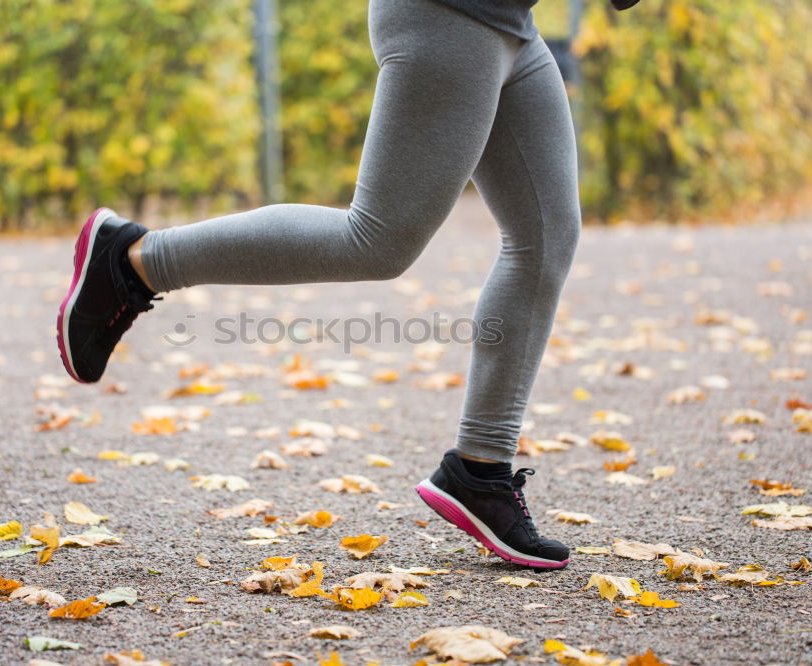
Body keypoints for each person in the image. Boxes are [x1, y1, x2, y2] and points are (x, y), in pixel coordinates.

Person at [56, 0, 641, 570]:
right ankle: (133, 262)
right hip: (450, 16)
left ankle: (481, 470)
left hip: (512, 24)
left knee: (546, 237)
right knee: (377, 239)